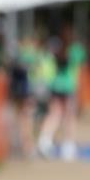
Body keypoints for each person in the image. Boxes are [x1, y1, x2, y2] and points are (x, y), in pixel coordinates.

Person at [37, 26, 86, 160]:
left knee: (54, 114)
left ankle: (44, 141)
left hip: (56, 85)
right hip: (68, 86)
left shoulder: (56, 49)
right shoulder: (76, 50)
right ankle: (68, 146)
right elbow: (80, 69)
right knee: (69, 117)